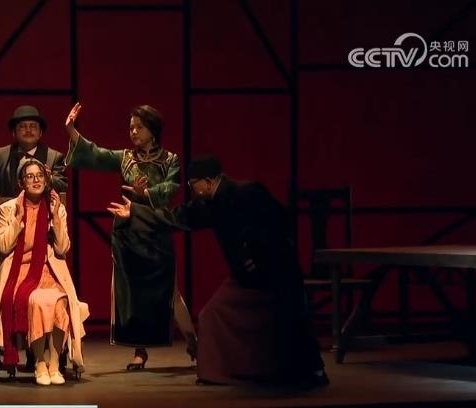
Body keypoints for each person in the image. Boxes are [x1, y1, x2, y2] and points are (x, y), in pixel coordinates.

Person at [107, 155, 329, 388]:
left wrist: (259, 254)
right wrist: (136, 212)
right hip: (246, 277)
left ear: (208, 181)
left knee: (290, 319)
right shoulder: (211, 203)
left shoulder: (248, 192)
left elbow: (279, 223)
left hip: (277, 272)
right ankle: (222, 373)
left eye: (193, 184)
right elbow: (177, 216)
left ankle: (313, 371)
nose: (192, 189)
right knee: (212, 315)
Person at [64, 102, 197, 370]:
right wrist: (71, 130)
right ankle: (139, 350)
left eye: (139, 127)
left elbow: (171, 189)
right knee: (132, 294)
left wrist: (144, 193)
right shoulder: (125, 157)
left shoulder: (170, 160)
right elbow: (95, 154)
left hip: (155, 230)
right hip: (127, 233)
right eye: (131, 127)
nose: (133, 132)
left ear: (153, 130)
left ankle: (193, 340)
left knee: (169, 291)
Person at [0, 105, 68, 368]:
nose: (28, 131)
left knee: (41, 290)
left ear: (41, 132)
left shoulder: (53, 157)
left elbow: (62, 185)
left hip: (42, 233)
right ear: (14, 132)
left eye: (33, 126)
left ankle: (37, 349)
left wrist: (44, 176)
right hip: (11, 227)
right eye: (22, 127)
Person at [0, 159, 87, 384]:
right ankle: (39, 363)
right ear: (21, 183)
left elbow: (62, 249)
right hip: (19, 273)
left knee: (60, 301)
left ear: (46, 179)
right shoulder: (8, 209)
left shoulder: (56, 207)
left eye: (40, 175)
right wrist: (17, 221)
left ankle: (54, 364)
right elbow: (2, 246)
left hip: (48, 270)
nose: (36, 180)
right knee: (37, 301)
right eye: (30, 176)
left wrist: (55, 218)